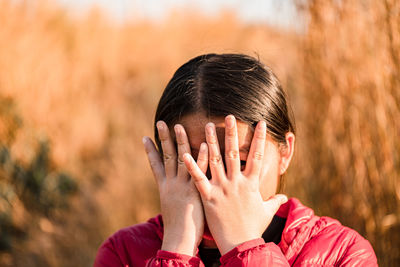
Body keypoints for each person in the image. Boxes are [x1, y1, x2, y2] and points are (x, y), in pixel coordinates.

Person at [94, 53, 377, 266]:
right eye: (190, 163)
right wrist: (176, 250)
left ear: (285, 152)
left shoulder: (344, 252)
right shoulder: (124, 254)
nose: (212, 184)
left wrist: (243, 245)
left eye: (238, 163)